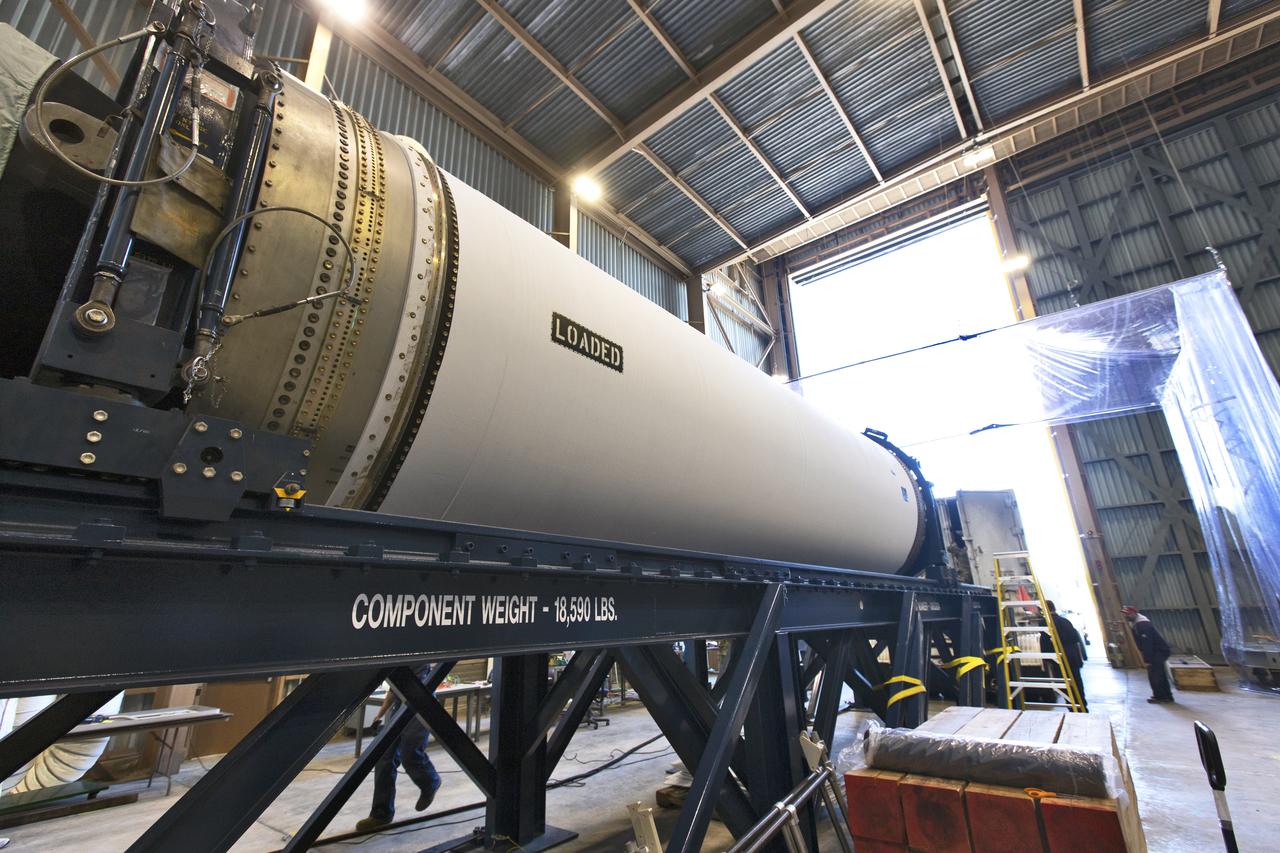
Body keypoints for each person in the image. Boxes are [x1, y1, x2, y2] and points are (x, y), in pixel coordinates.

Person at [355, 681, 442, 832]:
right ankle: (381, 813)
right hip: (399, 709)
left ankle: (430, 781)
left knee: (410, 754)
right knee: (384, 758)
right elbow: (393, 690)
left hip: (421, 704)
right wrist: (379, 715)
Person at [1040, 600, 1088, 710]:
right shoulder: (1065, 621)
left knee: (1066, 686)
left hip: (1060, 660)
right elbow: (1076, 640)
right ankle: (1082, 706)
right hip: (1073, 658)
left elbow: (1045, 643)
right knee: (1077, 682)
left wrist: (1047, 660)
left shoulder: (1045, 623)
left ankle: (1073, 708)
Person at [1122, 605, 1174, 703]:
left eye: (1127, 614)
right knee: (1159, 674)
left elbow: (1147, 643)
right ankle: (1166, 696)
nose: (1126, 616)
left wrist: (1147, 659)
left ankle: (1161, 697)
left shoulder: (1142, 625)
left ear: (1134, 613)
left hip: (1158, 651)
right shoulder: (1137, 623)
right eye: (1125, 614)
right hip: (1157, 651)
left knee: (1155, 675)